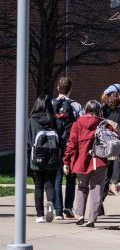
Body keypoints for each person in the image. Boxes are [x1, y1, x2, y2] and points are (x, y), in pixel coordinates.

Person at [61, 100, 109, 227]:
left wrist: (66, 161)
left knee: (82, 188)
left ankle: (80, 216)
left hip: (81, 162)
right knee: (97, 190)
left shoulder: (77, 124)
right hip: (99, 161)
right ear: (98, 110)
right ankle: (91, 220)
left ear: (86, 109)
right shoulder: (103, 123)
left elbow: (72, 144)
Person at [50, 77, 82, 220]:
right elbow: (81, 124)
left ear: (58, 88)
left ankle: (57, 212)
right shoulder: (76, 106)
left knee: (57, 177)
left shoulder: (50, 104)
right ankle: (68, 208)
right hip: (70, 146)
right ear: (70, 90)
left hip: (54, 145)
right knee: (70, 177)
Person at [27, 96, 59, 223]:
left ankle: (39, 215)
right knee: (50, 183)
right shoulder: (53, 120)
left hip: (37, 159)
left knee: (38, 185)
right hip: (52, 157)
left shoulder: (31, 121)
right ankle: (50, 202)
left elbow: (28, 142)